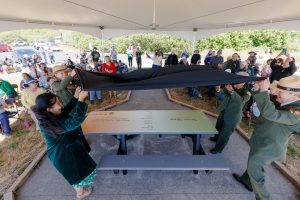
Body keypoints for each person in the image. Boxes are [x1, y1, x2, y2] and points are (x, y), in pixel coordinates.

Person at [232, 76, 300, 200]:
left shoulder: (297, 112)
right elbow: (265, 103)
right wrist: (258, 89)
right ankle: (247, 180)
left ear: (297, 96)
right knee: (252, 160)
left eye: (281, 92)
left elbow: (270, 113)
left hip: (270, 147)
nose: (277, 93)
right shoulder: (285, 101)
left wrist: (264, 92)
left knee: (255, 166)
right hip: (261, 139)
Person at [32, 89, 97, 199]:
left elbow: (65, 110)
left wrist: (76, 97)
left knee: (78, 172)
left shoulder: (50, 116)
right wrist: (81, 100)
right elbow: (75, 121)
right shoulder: (51, 124)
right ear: (49, 109)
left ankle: (81, 189)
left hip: (68, 149)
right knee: (77, 176)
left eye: (58, 99)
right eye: (57, 103)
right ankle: (80, 194)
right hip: (63, 155)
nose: (60, 103)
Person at [210, 72, 251, 154]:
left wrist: (232, 91)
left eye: (238, 79)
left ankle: (218, 149)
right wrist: (218, 89)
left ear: (244, 82)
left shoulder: (246, 92)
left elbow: (240, 101)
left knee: (225, 133)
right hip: (224, 111)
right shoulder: (232, 86)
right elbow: (222, 91)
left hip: (233, 116)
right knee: (218, 127)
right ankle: (216, 138)